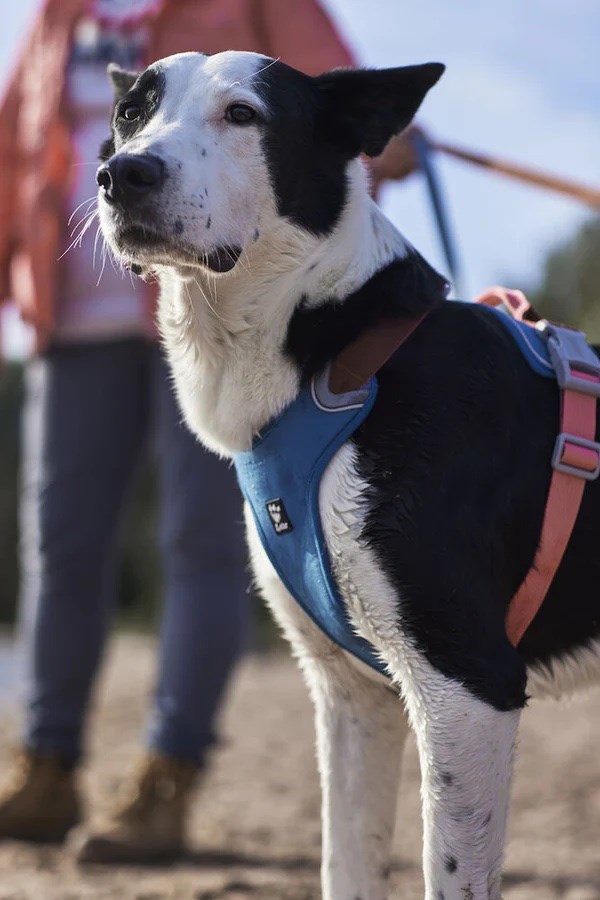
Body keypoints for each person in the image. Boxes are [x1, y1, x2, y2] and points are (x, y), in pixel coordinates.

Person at [0, 0, 420, 864]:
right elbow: (13, 152)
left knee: (201, 543)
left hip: (230, 326)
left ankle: (167, 777)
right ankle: (45, 764)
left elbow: (356, 129)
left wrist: (380, 135)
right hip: (71, 310)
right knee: (60, 544)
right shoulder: (58, 16)